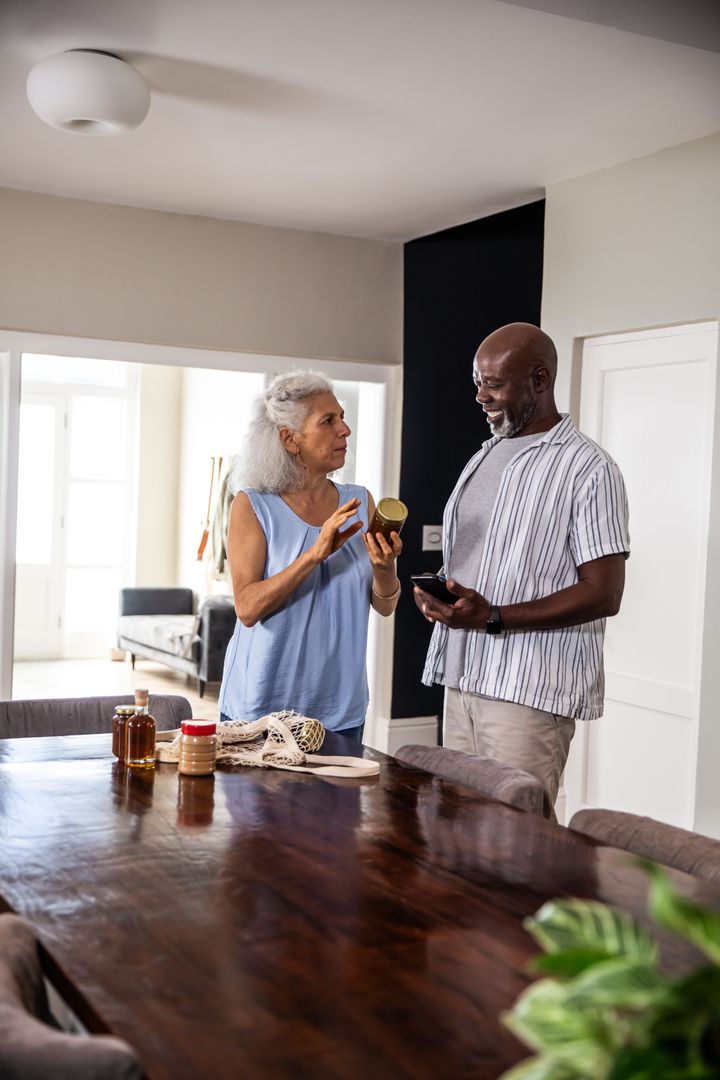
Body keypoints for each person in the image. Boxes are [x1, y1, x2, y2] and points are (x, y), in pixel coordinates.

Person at [415, 323, 629, 818]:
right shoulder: (485, 455)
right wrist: (443, 594)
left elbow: (604, 593)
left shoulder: (588, 468)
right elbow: (485, 559)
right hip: (463, 674)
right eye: (478, 381)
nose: (480, 395)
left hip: (527, 690)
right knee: (458, 828)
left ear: (539, 379)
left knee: (516, 843)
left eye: (494, 383)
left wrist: (493, 617)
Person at [219, 370, 402, 742]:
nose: (344, 430)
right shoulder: (253, 506)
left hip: (340, 709)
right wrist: (313, 555)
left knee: (339, 803)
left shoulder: (360, 501)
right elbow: (248, 608)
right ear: (290, 439)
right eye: (328, 421)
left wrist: (385, 568)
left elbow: (384, 606)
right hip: (262, 709)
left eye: (343, 417)